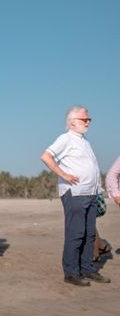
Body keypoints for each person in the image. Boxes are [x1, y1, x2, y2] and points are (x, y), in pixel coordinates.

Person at [40, 105, 110, 286]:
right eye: (84, 120)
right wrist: (64, 175)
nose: (87, 122)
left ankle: (88, 269)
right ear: (72, 123)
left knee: (89, 234)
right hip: (75, 193)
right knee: (76, 233)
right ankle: (71, 272)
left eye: (89, 120)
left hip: (91, 193)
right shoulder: (66, 139)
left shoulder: (85, 141)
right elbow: (46, 156)